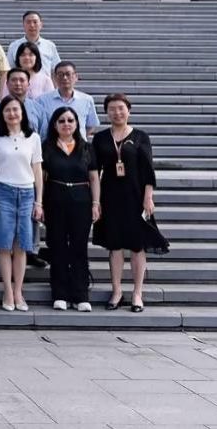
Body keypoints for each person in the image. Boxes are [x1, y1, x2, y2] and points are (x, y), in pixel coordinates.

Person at [93, 93, 166, 313]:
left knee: (137, 245)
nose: (117, 113)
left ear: (129, 110)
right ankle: (116, 291)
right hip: (110, 196)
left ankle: (137, 293)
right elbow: (94, 172)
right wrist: (96, 201)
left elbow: (148, 169)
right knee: (114, 245)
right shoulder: (100, 138)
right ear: (106, 113)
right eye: (112, 109)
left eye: (121, 108)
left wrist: (148, 197)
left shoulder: (141, 136)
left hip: (136, 196)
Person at [0, 96, 44, 312]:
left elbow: (37, 170)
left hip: (27, 192)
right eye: (7, 110)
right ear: (2, 114)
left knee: (22, 245)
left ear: (22, 113)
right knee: (4, 244)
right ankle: (7, 291)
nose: (12, 114)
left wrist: (39, 201)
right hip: (2, 191)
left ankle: (18, 291)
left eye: (16, 110)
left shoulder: (33, 138)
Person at [42, 107, 101, 312]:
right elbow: (41, 178)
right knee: (57, 246)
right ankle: (60, 293)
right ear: (55, 125)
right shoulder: (46, 147)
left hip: (81, 202)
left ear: (77, 124)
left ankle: (80, 294)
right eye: (61, 121)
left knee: (79, 247)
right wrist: (39, 204)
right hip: (54, 201)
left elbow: (94, 178)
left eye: (70, 120)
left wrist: (96, 203)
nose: (66, 124)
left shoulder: (87, 148)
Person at [37, 61, 101, 139]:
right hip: (52, 144)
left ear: (76, 77)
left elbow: (91, 125)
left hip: (78, 145)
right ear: (54, 78)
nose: (64, 78)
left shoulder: (86, 100)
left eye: (68, 74)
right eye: (60, 74)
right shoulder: (42, 100)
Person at [0, 68, 44, 136]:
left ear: (28, 84)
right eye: (14, 80)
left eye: (22, 80)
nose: (18, 83)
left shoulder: (38, 108)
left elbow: (43, 136)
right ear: (7, 84)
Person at [6, 10, 62, 76]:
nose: (32, 25)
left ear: (41, 25)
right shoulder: (14, 46)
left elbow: (56, 69)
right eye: (28, 22)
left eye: (35, 22)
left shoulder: (49, 45)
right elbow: (9, 69)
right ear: (23, 25)